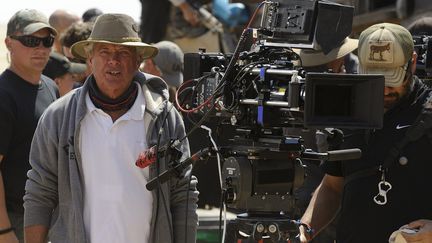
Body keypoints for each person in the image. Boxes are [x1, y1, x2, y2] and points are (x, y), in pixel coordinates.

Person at [23, 13, 198, 243]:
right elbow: (39, 192)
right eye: (104, 52)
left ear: (137, 61)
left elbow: (182, 193)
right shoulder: (58, 118)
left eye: (123, 53)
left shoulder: (164, 118)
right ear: (90, 59)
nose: (113, 61)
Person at [299, 23, 432, 243]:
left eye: (392, 79)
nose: (385, 89)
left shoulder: (427, 111)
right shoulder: (349, 106)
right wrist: (307, 228)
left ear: (413, 62)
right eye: (377, 79)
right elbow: (332, 186)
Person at [0, 9, 58, 243]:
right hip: (15, 219)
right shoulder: (4, 95)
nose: (41, 48)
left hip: (49, 217)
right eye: (31, 41)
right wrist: (4, 231)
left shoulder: (50, 86)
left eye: (48, 41)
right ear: (9, 43)